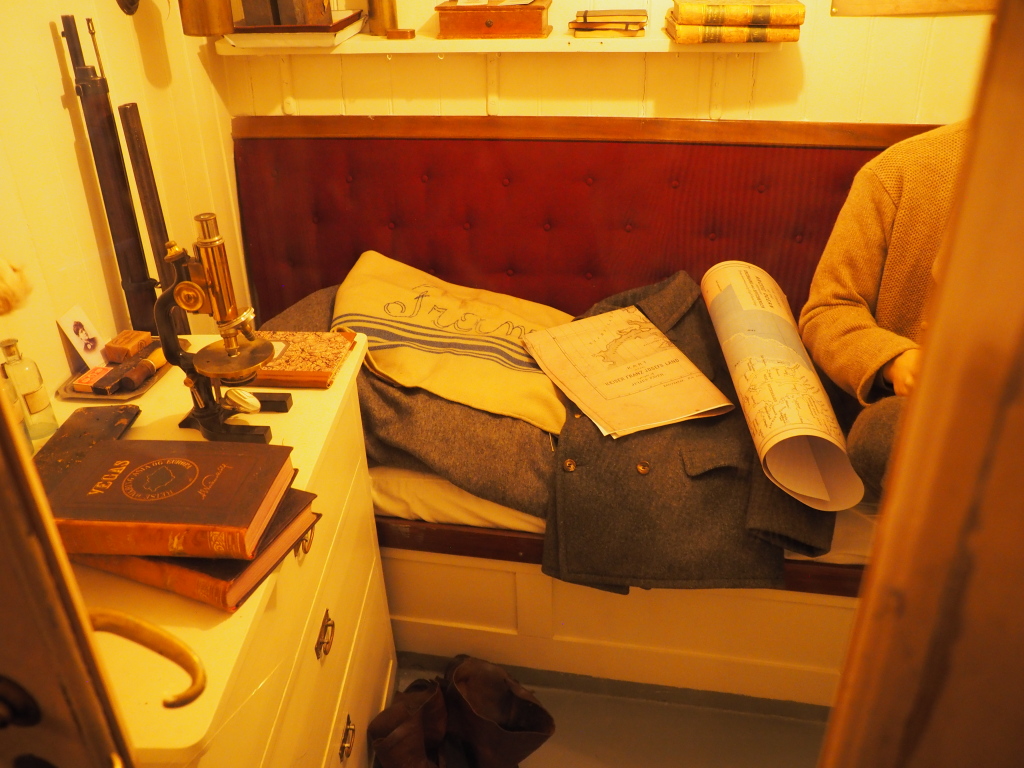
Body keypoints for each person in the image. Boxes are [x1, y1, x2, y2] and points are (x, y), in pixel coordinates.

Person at [798, 120, 970, 499]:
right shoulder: (902, 170)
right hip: (918, 413)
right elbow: (828, 309)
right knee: (883, 431)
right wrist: (897, 361)